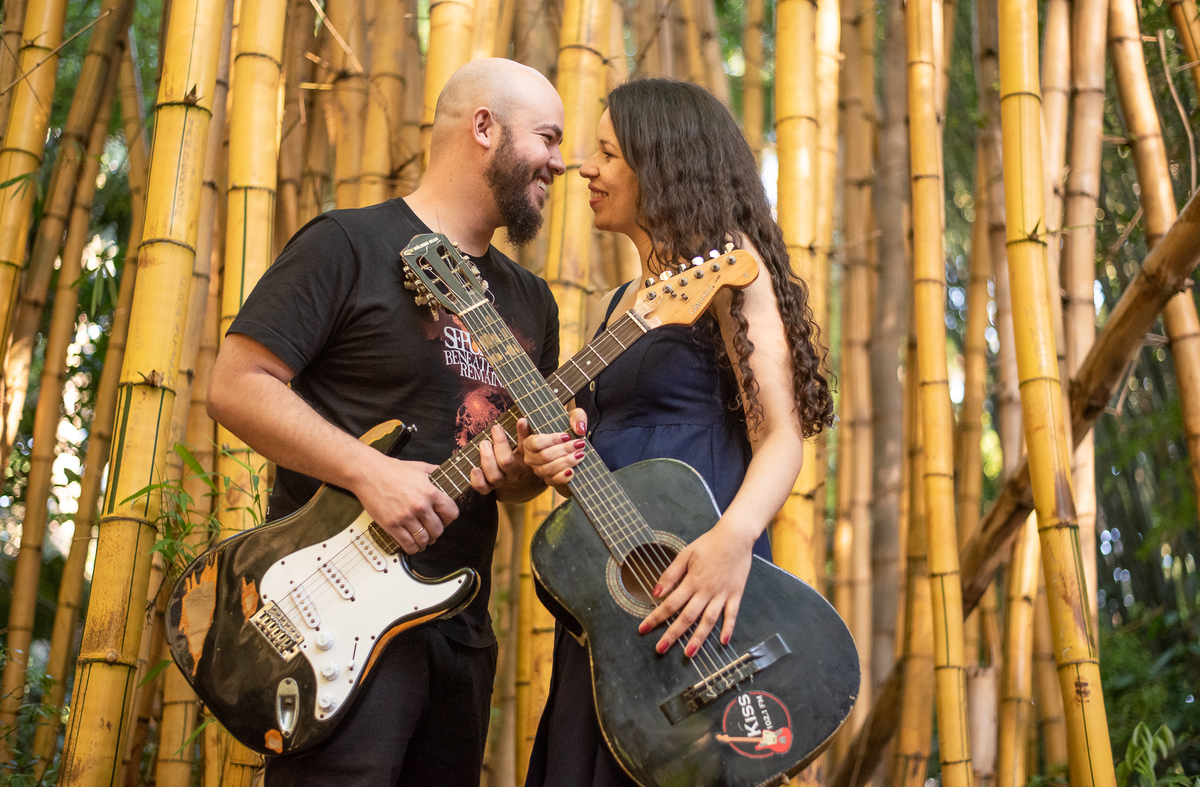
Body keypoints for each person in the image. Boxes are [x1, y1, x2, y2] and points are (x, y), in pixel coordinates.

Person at [206, 58, 568, 786]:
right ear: (484, 128)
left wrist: (527, 466)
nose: (561, 163)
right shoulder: (346, 244)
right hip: (331, 623)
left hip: (458, 628)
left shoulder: (533, 303)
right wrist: (368, 470)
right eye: (549, 138)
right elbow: (235, 386)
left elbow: (514, 485)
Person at [519, 78, 836, 786]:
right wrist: (556, 455)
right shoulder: (619, 306)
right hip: (612, 604)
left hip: (703, 585)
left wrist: (733, 541)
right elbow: (611, 451)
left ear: (659, 162)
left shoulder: (728, 269)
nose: (585, 169)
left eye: (607, 152)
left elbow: (782, 434)